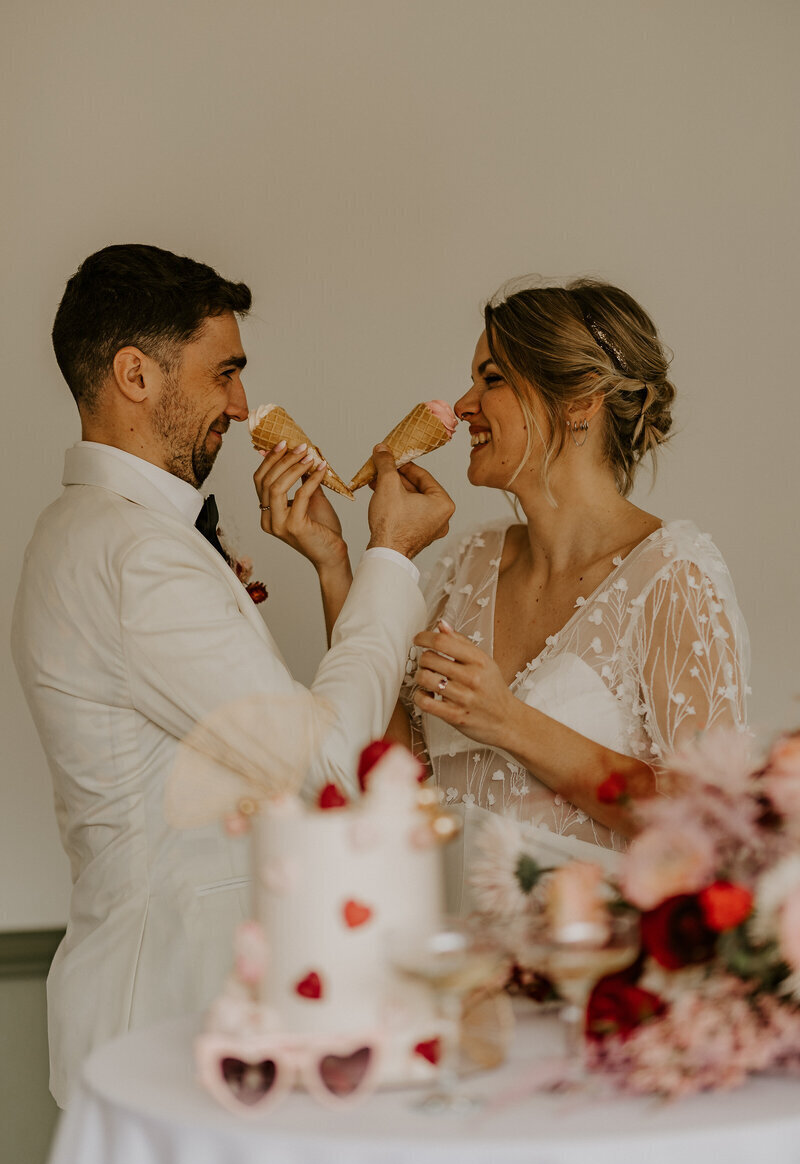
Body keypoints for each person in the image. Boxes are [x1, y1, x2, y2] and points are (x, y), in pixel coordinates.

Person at [11, 243, 454, 1105]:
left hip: (192, 1015)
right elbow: (322, 763)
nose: (244, 406)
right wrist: (390, 560)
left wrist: (329, 558)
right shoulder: (136, 555)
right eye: (226, 373)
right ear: (134, 375)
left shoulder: (113, 533)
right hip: (169, 1019)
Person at [390, 278, 749, 910]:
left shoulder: (671, 578)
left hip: (585, 969)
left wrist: (510, 721)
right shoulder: (467, 562)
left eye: (492, 378)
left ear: (577, 402)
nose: (465, 404)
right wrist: (344, 568)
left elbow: (708, 834)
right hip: (447, 959)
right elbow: (398, 777)